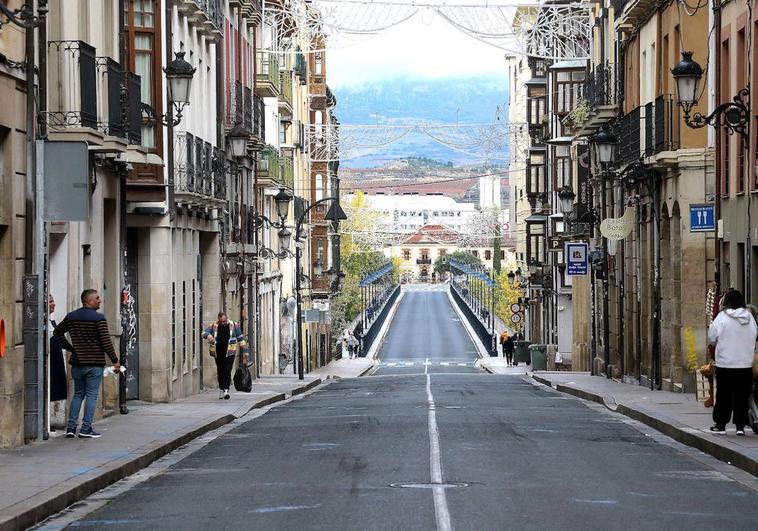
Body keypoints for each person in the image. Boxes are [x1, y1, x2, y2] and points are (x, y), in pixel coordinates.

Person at [53, 289, 120, 439]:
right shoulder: (98, 318)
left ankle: (70, 428)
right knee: (91, 395)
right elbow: (105, 341)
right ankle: (86, 428)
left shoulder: (71, 317)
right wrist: (115, 360)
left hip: (77, 363)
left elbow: (57, 332)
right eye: (97, 298)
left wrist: (70, 347)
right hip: (94, 363)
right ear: (89, 300)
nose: (99, 301)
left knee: (78, 395)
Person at [707, 289, 758, 436]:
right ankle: (740, 427)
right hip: (745, 364)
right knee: (741, 396)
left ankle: (721, 425)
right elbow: (755, 335)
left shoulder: (722, 318)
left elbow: (712, 337)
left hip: (725, 363)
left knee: (723, 395)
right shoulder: (749, 317)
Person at [203, 312, 248, 400]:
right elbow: (204, 332)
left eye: (224, 321)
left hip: (230, 352)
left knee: (227, 370)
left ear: (226, 319)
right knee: (220, 371)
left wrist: (245, 351)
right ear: (218, 320)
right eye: (221, 322)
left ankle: (226, 390)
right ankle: (221, 389)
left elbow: (241, 339)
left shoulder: (234, 326)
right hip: (218, 352)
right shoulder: (213, 326)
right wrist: (208, 335)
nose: (222, 323)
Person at [48, 295, 68, 430]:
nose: (53, 304)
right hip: (50, 361)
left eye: (53, 301)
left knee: (55, 388)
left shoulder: (51, 320)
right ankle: (46, 422)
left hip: (55, 359)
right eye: (50, 302)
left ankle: (48, 421)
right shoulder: (45, 321)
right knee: (49, 388)